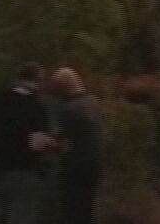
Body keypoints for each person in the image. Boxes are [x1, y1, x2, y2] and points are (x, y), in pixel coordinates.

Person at [0, 63, 58, 224]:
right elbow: (37, 144)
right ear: (38, 81)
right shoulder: (37, 106)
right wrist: (54, 145)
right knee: (21, 215)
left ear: (18, 78)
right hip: (24, 169)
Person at [49, 67, 103, 224]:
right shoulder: (93, 102)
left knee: (71, 211)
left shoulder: (68, 109)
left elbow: (62, 142)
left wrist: (47, 143)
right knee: (87, 209)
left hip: (74, 167)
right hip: (94, 163)